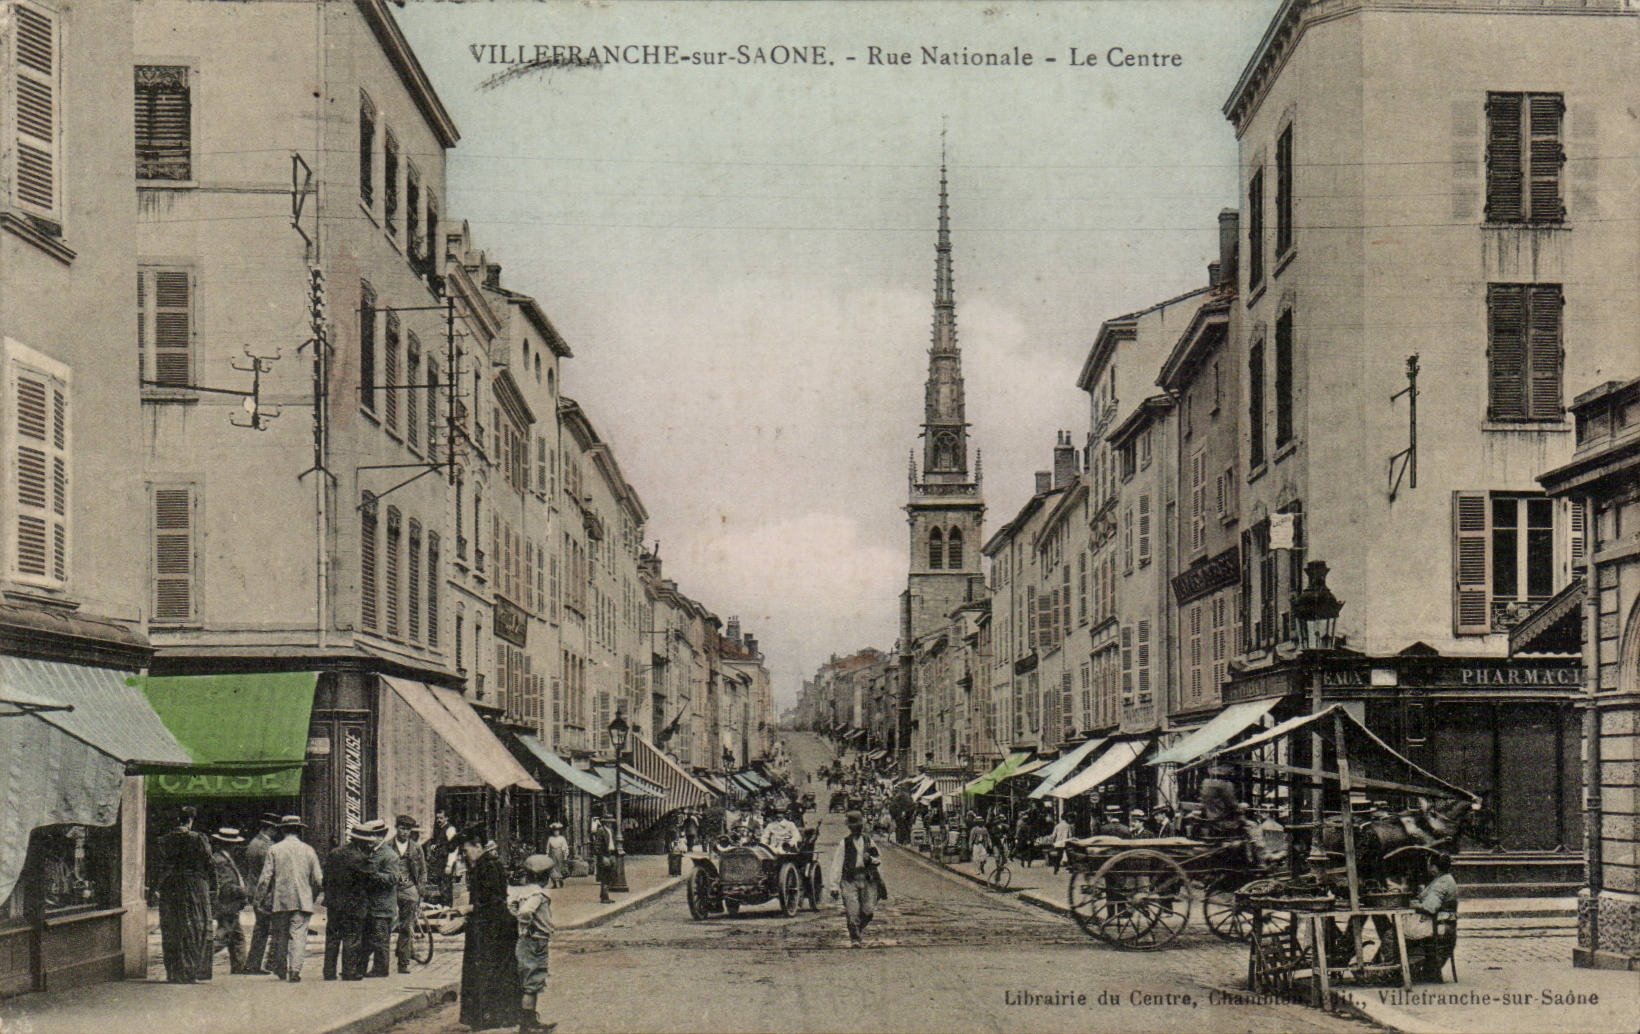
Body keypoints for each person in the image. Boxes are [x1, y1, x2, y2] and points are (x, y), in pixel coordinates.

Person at [453, 827, 521, 1030]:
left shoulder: (489, 866)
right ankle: (489, 1016)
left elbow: (495, 901)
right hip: (485, 927)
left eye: (466, 850)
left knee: (491, 971)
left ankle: (493, 1017)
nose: (464, 855)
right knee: (486, 971)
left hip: (495, 929)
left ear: (477, 846)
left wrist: (469, 908)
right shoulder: (481, 866)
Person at [255, 815, 324, 982]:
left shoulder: (275, 849)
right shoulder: (309, 850)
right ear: (299, 830)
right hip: (303, 900)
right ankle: (295, 970)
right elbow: (318, 878)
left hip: (281, 900)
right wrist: (312, 895)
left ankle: (281, 968)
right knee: (299, 936)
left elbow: (265, 878)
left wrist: (259, 898)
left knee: (280, 935)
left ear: (283, 830)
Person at [153, 805, 214, 983]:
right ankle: (189, 971)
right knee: (194, 926)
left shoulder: (164, 840)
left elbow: (158, 866)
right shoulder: (198, 839)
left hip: (170, 887)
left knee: (171, 926)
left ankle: (173, 971)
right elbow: (209, 862)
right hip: (193, 886)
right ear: (191, 820)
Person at [511, 855, 557, 1034]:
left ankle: (531, 1020)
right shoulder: (537, 894)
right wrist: (526, 926)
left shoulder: (524, 891)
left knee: (532, 980)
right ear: (543, 877)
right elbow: (525, 912)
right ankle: (527, 1025)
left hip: (530, 940)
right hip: (535, 941)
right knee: (533, 981)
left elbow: (514, 907)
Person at [826, 810, 886, 947]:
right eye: (854, 826)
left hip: (867, 879)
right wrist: (834, 885)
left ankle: (857, 929)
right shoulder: (844, 843)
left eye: (859, 826)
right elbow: (837, 864)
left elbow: (878, 859)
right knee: (852, 911)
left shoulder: (868, 841)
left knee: (868, 910)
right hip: (849, 880)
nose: (857, 828)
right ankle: (855, 938)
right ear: (850, 827)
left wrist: (870, 858)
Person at [322, 822, 373, 981]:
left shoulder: (334, 853)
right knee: (352, 938)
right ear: (363, 842)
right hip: (353, 905)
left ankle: (329, 971)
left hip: (334, 903)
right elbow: (370, 881)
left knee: (332, 937)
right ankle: (349, 971)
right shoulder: (361, 858)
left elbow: (326, 879)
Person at [242, 813, 281, 975]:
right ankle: (263, 963)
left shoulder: (253, 842)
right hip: (264, 892)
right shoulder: (266, 847)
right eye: (275, 829)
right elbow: (269, 872)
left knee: (262, 928)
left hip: (254, 889)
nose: (276, 832)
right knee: (267, 928)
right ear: (269, 828)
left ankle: (254, 963)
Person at [362, 818, 401, 977]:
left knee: (380, 940)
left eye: (373, 836)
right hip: (371, 905)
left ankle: (381, 969)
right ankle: (363, 968)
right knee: (368, 938)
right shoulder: (371, 852)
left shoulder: (389, 855)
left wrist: (372, 875)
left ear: (380, 836)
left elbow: (393, 878)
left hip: (383, 906)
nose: (370, 840)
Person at [209, 827, 250, 974]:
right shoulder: (222, 861)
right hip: (227, 905)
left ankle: (239, 966)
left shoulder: (222, 858)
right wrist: (244, 891)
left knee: (237, 937)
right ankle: (201, 960)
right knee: (222, 938)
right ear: (229, 844)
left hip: (229, 905)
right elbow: (226, 886)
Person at [391, 815, 427, 974]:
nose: (404, 832)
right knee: (385, 926)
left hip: (409, 890)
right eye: (402, 828)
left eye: (407, 829)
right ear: (396, 827)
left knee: (406, 927)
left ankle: (403, 963)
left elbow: (423, 871)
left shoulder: (416, 848)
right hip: (390, 890)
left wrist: (420, 889)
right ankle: (380, 962)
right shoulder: (387, 846)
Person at [590, 813, 617, 904]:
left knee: (609, 876)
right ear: (605, 822)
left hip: (611, 854)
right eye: (608, 822)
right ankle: (605, 897)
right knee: (605, 876)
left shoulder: (611, 830)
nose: (610, 823)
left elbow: (613, 842)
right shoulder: (601, 831)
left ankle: (604, 895)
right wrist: (601, 856)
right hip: (604, 855)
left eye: (611, 822)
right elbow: (597, 845)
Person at [544, 823, 571, 889]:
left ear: (559, 831)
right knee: (552, 868)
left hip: (559, 854)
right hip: (552, 854)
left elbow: (565, 847)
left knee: (559, 868)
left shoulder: (562, 838)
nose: (556, 832)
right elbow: (548, 847)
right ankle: (554, 882)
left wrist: (565, 855)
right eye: (554, 831)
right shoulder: (550, 838)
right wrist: (547, 854)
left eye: (557, 831)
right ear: (553, 832)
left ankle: (560, 880)